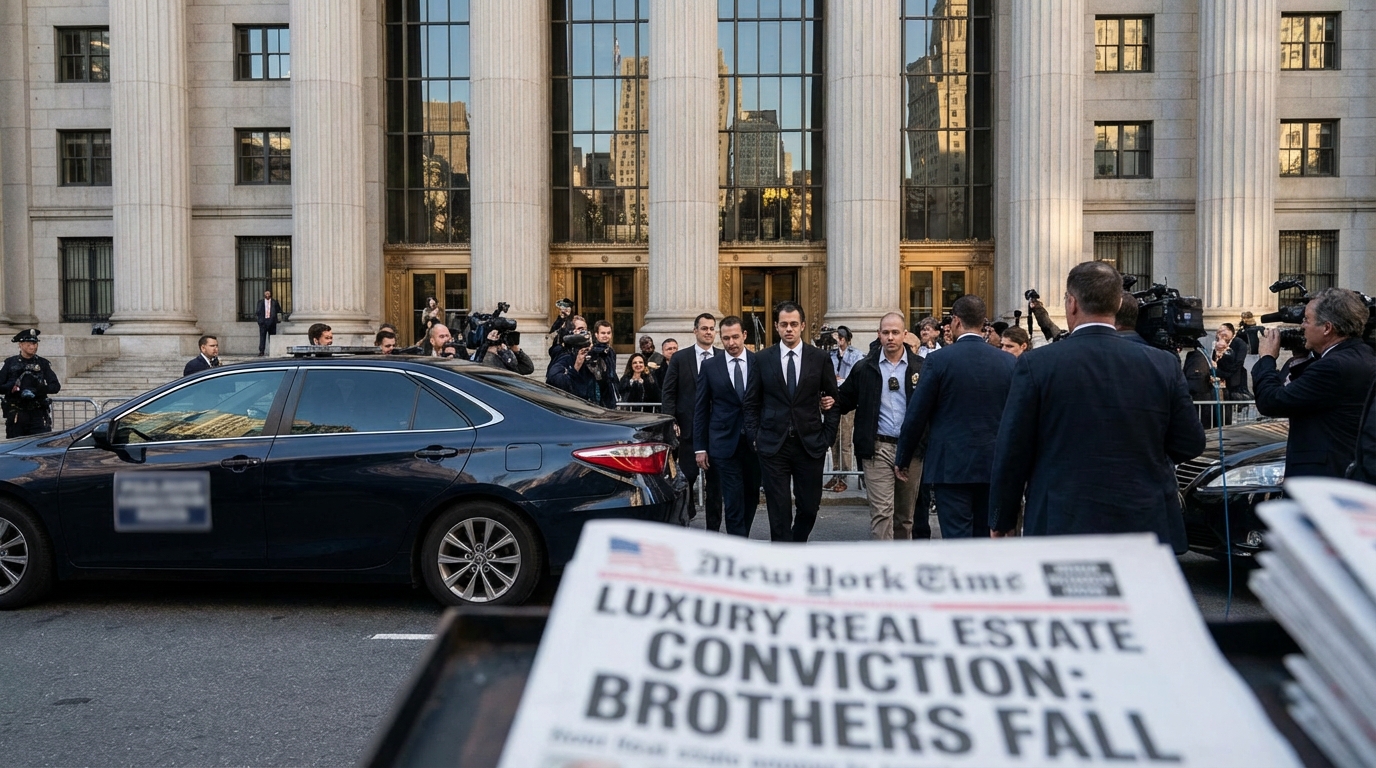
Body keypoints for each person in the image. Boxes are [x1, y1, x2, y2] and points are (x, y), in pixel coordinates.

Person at [989, 261, 1206, 551]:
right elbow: (1189, 443)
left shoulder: (1037, 364)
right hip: (1142, 524)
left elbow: (1013, 450)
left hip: (1063, 523)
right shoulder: (1162, 364)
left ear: (1072, 303)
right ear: (1118, 302)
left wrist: (1002, 519)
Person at [894, 295, 1014, 540]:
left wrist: (903, 457)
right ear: (983, 323)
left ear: (956, 321)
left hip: (951, 466)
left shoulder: (938, 360)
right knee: (984, 536)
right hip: (992, 463)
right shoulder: (1007, 361)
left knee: (956, 537)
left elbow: (917, 412)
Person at [1253, 287, 1376, 478]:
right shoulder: (1363, 355)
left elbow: (1272, 401)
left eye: (1306, 320)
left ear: (1327, 328)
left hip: (1323, 479)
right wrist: (1301, 357)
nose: (1301, 326)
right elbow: (1312, 396)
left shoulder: (1333, 366)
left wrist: (1267, 358)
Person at [745, 301, 840, 543]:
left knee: (809, 506)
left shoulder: (819, 358)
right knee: (779, 510)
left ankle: (795, 546)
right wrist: (755, 437)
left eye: (794, 324)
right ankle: (782, 557)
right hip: (772, 445)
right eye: (784, 324)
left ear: (803, 326)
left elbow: (833, 399)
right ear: (777, 327)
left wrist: (827, 437)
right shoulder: (762, 359)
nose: (789, 329)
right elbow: (751, 402)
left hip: (809, 444)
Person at [835, 313, 925, 540]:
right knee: (882, 514)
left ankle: (900, 567)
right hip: (877, 448)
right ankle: (882, 566)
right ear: (879, 335)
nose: (890, 337)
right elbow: (843, 400)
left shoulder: (922, 368)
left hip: (911, 450)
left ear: (905, 334)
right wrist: (826, 399)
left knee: (904, 518)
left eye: (895, 332)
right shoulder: (864, 368)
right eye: (886, 332)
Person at [693, 316, 761, 537]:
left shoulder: (759, 362)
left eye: (735, 337)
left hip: (754, 444)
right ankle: (737, 545)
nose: (731, 343)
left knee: (751, 497)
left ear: (744, 336)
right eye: (726, 338)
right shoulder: (710, 366)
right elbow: (701, 408)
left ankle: (743, 538)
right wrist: (700, 447)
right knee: (732, 500)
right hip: (723, 444)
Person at [661, 313, 724, 531]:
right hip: (688, 432)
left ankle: (713, 530)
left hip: (717, 433)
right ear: (695, 331)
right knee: (685, 479)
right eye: (704, 328)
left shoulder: (722, 357)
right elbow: (668, 392)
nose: (708, 332)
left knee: (715, 486)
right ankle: (686, 520)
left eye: (712, 328)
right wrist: (671, 420)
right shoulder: (680, 358)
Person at [1, 329, 60, 439]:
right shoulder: (10, 363)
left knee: (38, 447)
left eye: (35, 344)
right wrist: (11, 387)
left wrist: (40, 389)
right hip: (17, 415)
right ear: (21, 345)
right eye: (29, 344)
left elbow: (55, 386)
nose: (33, 347)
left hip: (37, 414)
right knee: (16, 448)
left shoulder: (43, 363)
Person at [825, 326, 862, 492]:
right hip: (833, 397)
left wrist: (843, 355)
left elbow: (857, 374)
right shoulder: (830, 354)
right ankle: (835, 472)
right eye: (836, 337)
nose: (838, 340)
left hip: (847, 399)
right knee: (834, 439)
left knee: (845, 440)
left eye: (840, 337)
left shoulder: (855, 354)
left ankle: (845, 475)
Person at [546, 328, 599, 403]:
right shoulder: (565, 359)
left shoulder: (592, 359)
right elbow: (555, 382)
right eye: (578, 330)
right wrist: (576, 367)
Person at [1213, 323, 1251, 400]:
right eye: (1219, 332)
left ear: (1231, 331)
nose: (1221, 334)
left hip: (1236, 383)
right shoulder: (1217, 345)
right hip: (1221, 383)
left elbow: (1238, 363)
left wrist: (1222, 372)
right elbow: (1214, 362)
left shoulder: (1239, 343)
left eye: (1223, 331)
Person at [586, 320, 618, 408]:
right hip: (595, 390)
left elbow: (612, 372)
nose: (606, 335)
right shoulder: (592, 351)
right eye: (603, 333)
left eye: (608, 333)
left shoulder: (611, 351)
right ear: (596, 334)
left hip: (609, 391)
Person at [256, 289, 282, 356]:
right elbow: (257, 312)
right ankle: (261, 351)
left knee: (272, 337)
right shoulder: (260, 302)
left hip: (272, 322)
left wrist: (276, 319)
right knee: (262, 337)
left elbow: (279, 310)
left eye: (268, 293)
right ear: (264, 294)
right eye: (266, 293)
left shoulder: (274, 302)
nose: (267, 295)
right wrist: (260, 321)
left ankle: (273, 350)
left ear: (270, 294)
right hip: (263, 322)